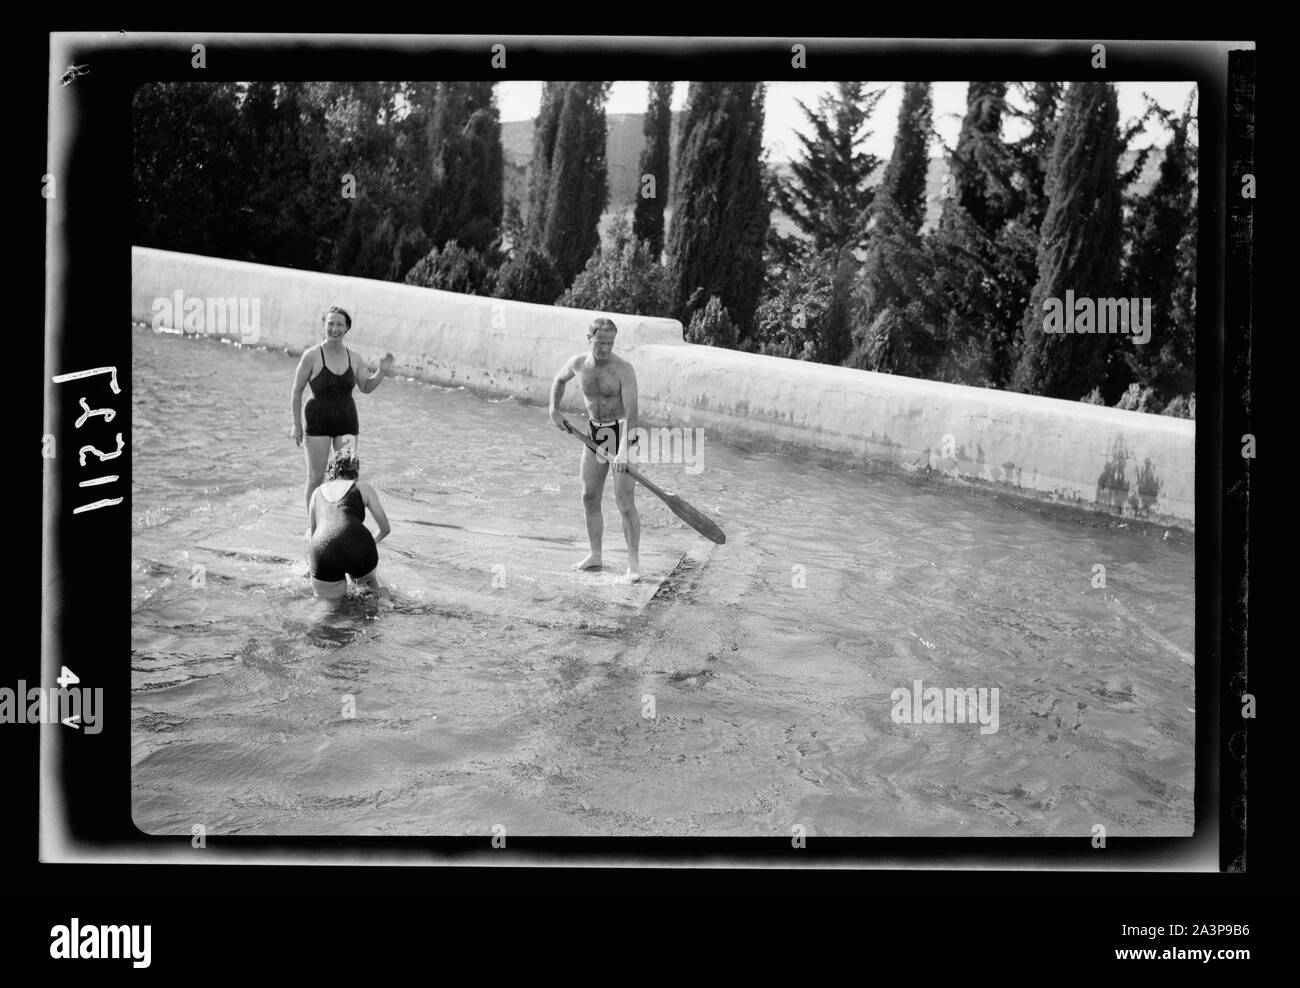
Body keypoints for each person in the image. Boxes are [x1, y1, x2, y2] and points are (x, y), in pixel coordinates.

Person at [548, 317, 642, 580]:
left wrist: (624, 449)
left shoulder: (624, 369)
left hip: (623, 432)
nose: (605, 348)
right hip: (594, 434)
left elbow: (634, 414)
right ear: (589, 339)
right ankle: (595, 555)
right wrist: (553, 410)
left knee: (625, 503)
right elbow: (559, 380)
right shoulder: (579, 363)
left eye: (610, 343)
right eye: (600, 343)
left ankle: (633, 565)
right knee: (589, 497)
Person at [290, 306, 395, 518]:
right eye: (330, 323)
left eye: (339, 324)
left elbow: (365, 387)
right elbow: (297, 391)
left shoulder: (354, 357)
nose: (334, 328)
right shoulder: (311, 356)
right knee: (315, 477)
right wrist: (297, 425)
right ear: (324, 326)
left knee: (345, 479)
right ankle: (313, 526)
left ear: (347, 328)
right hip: (317, 423)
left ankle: (339, 521)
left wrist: (381, 372)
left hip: (346, 423)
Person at [307, 447, 391, 603]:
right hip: (359, 547)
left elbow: (313, 535)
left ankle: (315, 622)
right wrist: (367, 543)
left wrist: (311, 566)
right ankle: (384, 599)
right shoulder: (362, 487)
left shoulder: (316, 493)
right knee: (370, 591)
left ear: (332, 470)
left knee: (327, 605)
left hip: (323, 550)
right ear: (355, 471)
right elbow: (385, 528)